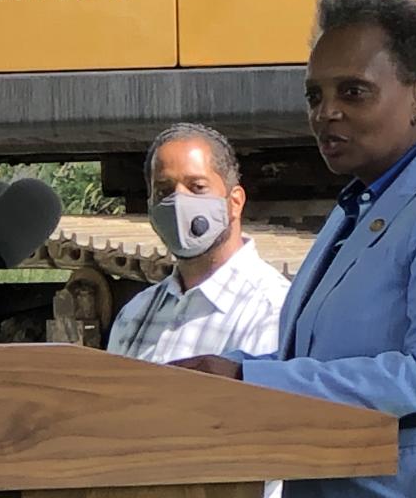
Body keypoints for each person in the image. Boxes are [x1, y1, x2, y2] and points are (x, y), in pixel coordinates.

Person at [171, 0, 416, 497]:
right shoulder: (361, 206)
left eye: (353, 91)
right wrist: (235, 370)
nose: (327, 112)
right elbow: (320, 365)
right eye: (314, 96)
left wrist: (250, 382)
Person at [106, 123, 290, 498]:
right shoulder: (136, 314)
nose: (178, 202)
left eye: (197, 187)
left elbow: (264, 455)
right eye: (163, 190)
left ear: (234, 201)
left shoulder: (271, 310)